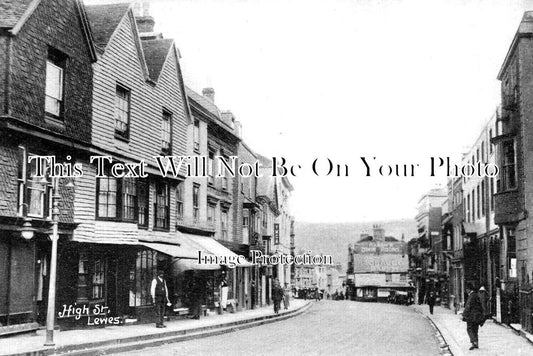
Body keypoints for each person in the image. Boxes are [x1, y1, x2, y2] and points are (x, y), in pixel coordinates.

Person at [463, 282, 487, 350]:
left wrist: (464, 314)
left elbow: (468, 306)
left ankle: (474, 342)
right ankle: (476, 343)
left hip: (471, 316)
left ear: (469, 289)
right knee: (475, 329)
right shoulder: (476, 295)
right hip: (477, 315)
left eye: (466, 289)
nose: (466, 290)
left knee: (469, 328)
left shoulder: (471, 296)